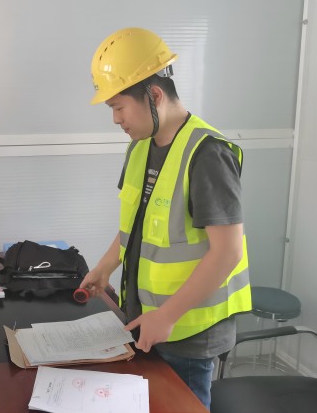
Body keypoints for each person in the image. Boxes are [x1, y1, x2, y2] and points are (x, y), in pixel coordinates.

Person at [80, 27, 252, 409]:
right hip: (147, 322)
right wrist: (106, 267)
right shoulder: (140, 148)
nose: (116, 119)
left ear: (154, 95)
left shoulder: (207, 154)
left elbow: (227, 252)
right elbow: (136, 227)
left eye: (119, 107)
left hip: (187, 333)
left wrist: (168, 315)